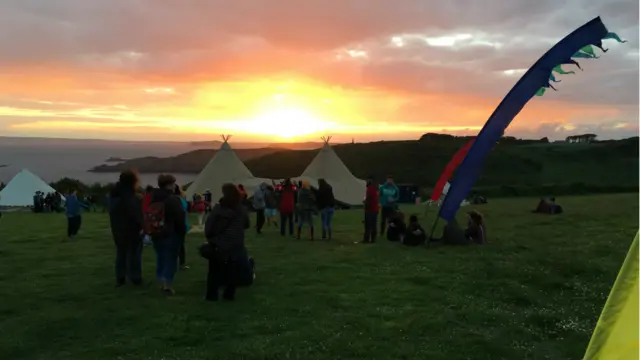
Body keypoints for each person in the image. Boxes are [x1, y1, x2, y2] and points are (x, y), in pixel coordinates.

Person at [204, 183, 250, 301]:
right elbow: (246, 224)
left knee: (214, 271)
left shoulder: (218, 210)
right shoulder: (241, 210)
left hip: (219, 244)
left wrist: (211, 237)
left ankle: (212, 295)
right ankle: (229, 294)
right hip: (235, 244)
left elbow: (209, 227)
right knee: (232, 271)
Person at [146, 174, 186, 296]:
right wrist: (182, 231)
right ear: (169, 184)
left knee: (161, 256)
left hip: (156, 231)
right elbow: (179, 218)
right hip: (170, 233)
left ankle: (160, 279)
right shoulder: (172, 199)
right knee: (171, 259)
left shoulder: (152, 197)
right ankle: (167, 285)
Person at [109, 170, 144, 286]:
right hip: (132, 231)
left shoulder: (114, 196)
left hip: (117, 230)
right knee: (134, 255)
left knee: (121, 254)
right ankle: (136, 278)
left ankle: (120, 278)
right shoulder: (132, 198)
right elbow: (136, 216)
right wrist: (142, 227)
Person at [175, 184, 190, 270]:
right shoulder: (181, 200)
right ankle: (181, 263)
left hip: (175, 225)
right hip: (181, 225)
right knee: (180, 245)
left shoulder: (170, 200)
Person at [361, 177, 379, 244]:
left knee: (368, 225)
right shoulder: (374, 188)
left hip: (370, 209)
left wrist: (365, 204)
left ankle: (366, 239)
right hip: (375, 209)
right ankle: (373, 239)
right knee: (373, 225)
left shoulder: (370, 189)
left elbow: (369, 199)